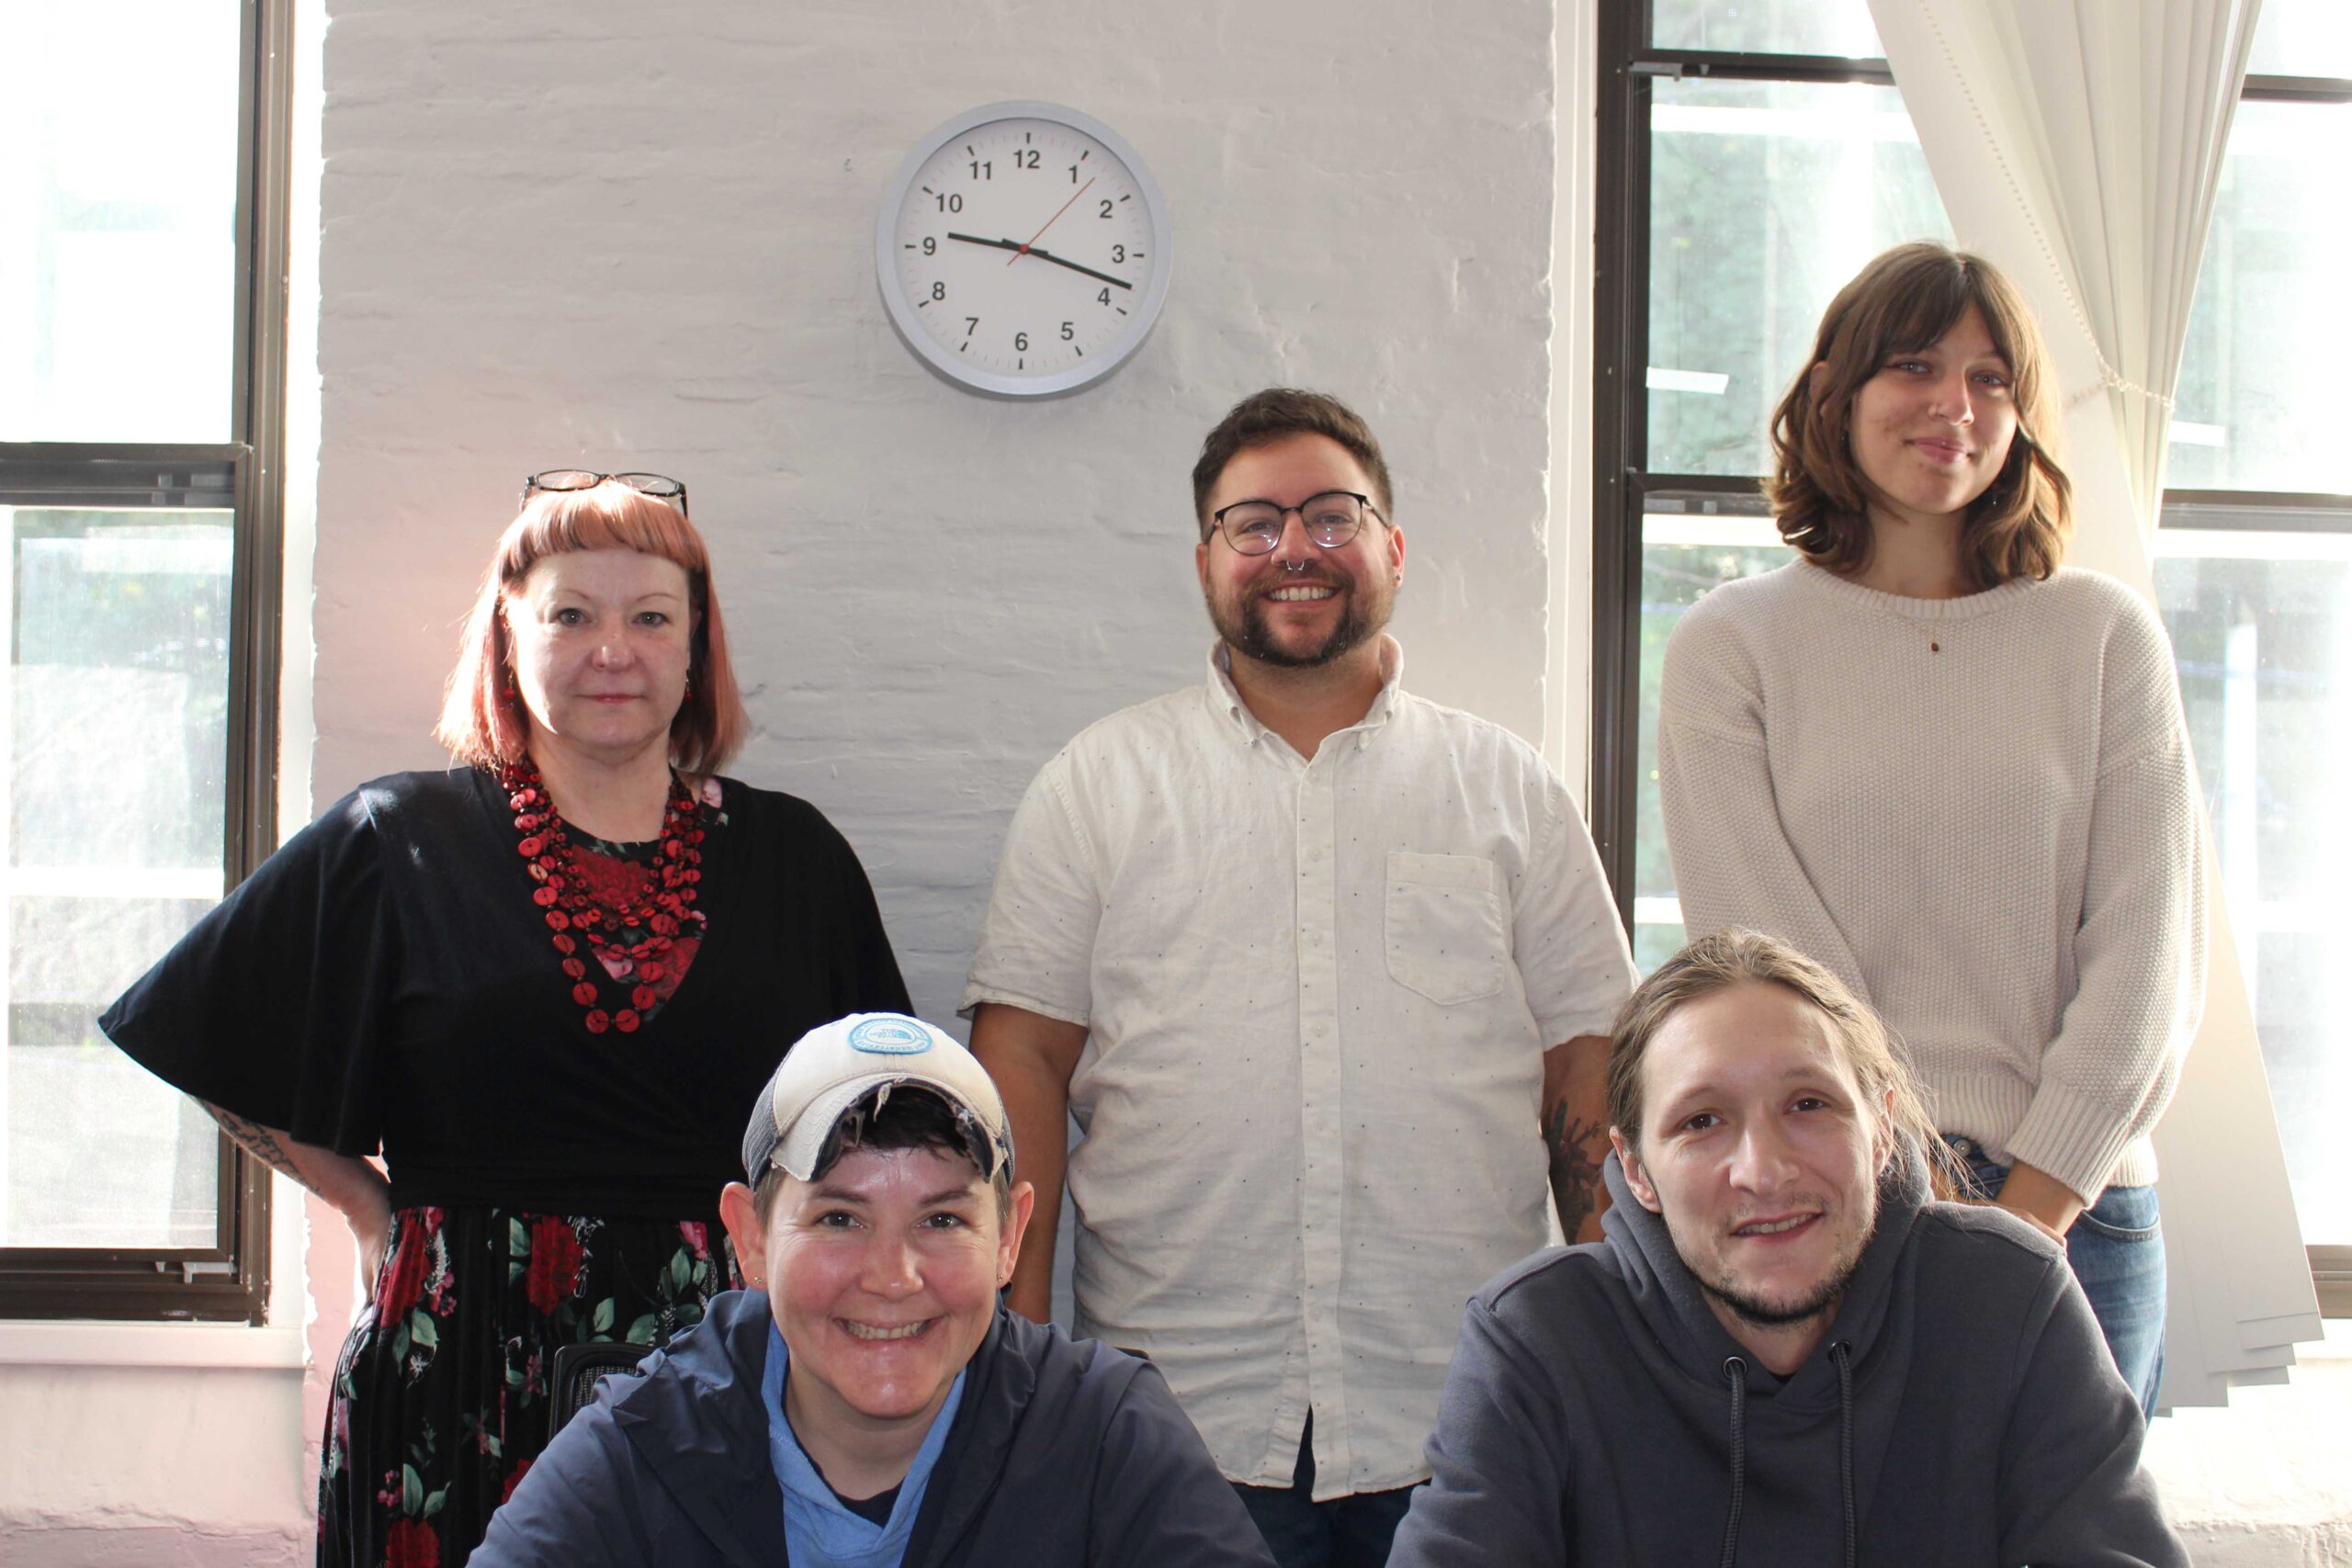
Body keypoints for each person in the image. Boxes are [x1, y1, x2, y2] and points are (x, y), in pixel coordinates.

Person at [99, 472, 911, 1568]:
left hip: (727, 1362)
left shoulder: (794, 858)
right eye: (569, 614)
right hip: (451, 1357)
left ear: (694, 648)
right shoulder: (398, 838)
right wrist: (367, 1207)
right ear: (508, 638)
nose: (611, 651)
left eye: (650, 618)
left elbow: (885, 1118)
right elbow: (203, 1030)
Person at [965, 389, 1637, 1565]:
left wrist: (1606, 1343)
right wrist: (1009, 1353)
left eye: (1332, 516)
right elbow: (1020, 1059)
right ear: (1205, 561)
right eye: (1254, 523)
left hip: (1463, 1406)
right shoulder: (1097, 786)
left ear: (1392, 547)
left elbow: (1588, 1064)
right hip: (1174, 1413)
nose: (1294, 549)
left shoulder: (1507, 790)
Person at [1656, 243, 2204, 1414]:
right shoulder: (1732, 645)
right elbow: (1773, 970)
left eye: (1990, 378)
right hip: (1839, 1205)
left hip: (2080, 1209)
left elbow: (2149, 958)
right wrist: (1914, 1199)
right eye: (1913, 365)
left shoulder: (2102, 636)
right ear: (1834, 393)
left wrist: (2029, 1219)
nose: (1954, 403)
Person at [1386, 931, 2189, 1567]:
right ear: (1636, 1170)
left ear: (1881, 1130)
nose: (1764, 1170)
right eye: (1701, 1121)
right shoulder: (1535, 1338)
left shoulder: (2009, 1299)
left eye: (1808, 1104)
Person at [472, 1010, 1280, 1567]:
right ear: (751, 1239)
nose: (893, 1277)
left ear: (1010, 1238)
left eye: (942, 1219)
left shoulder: (1106, 1433)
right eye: (839, 1218)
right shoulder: (642, 1442)